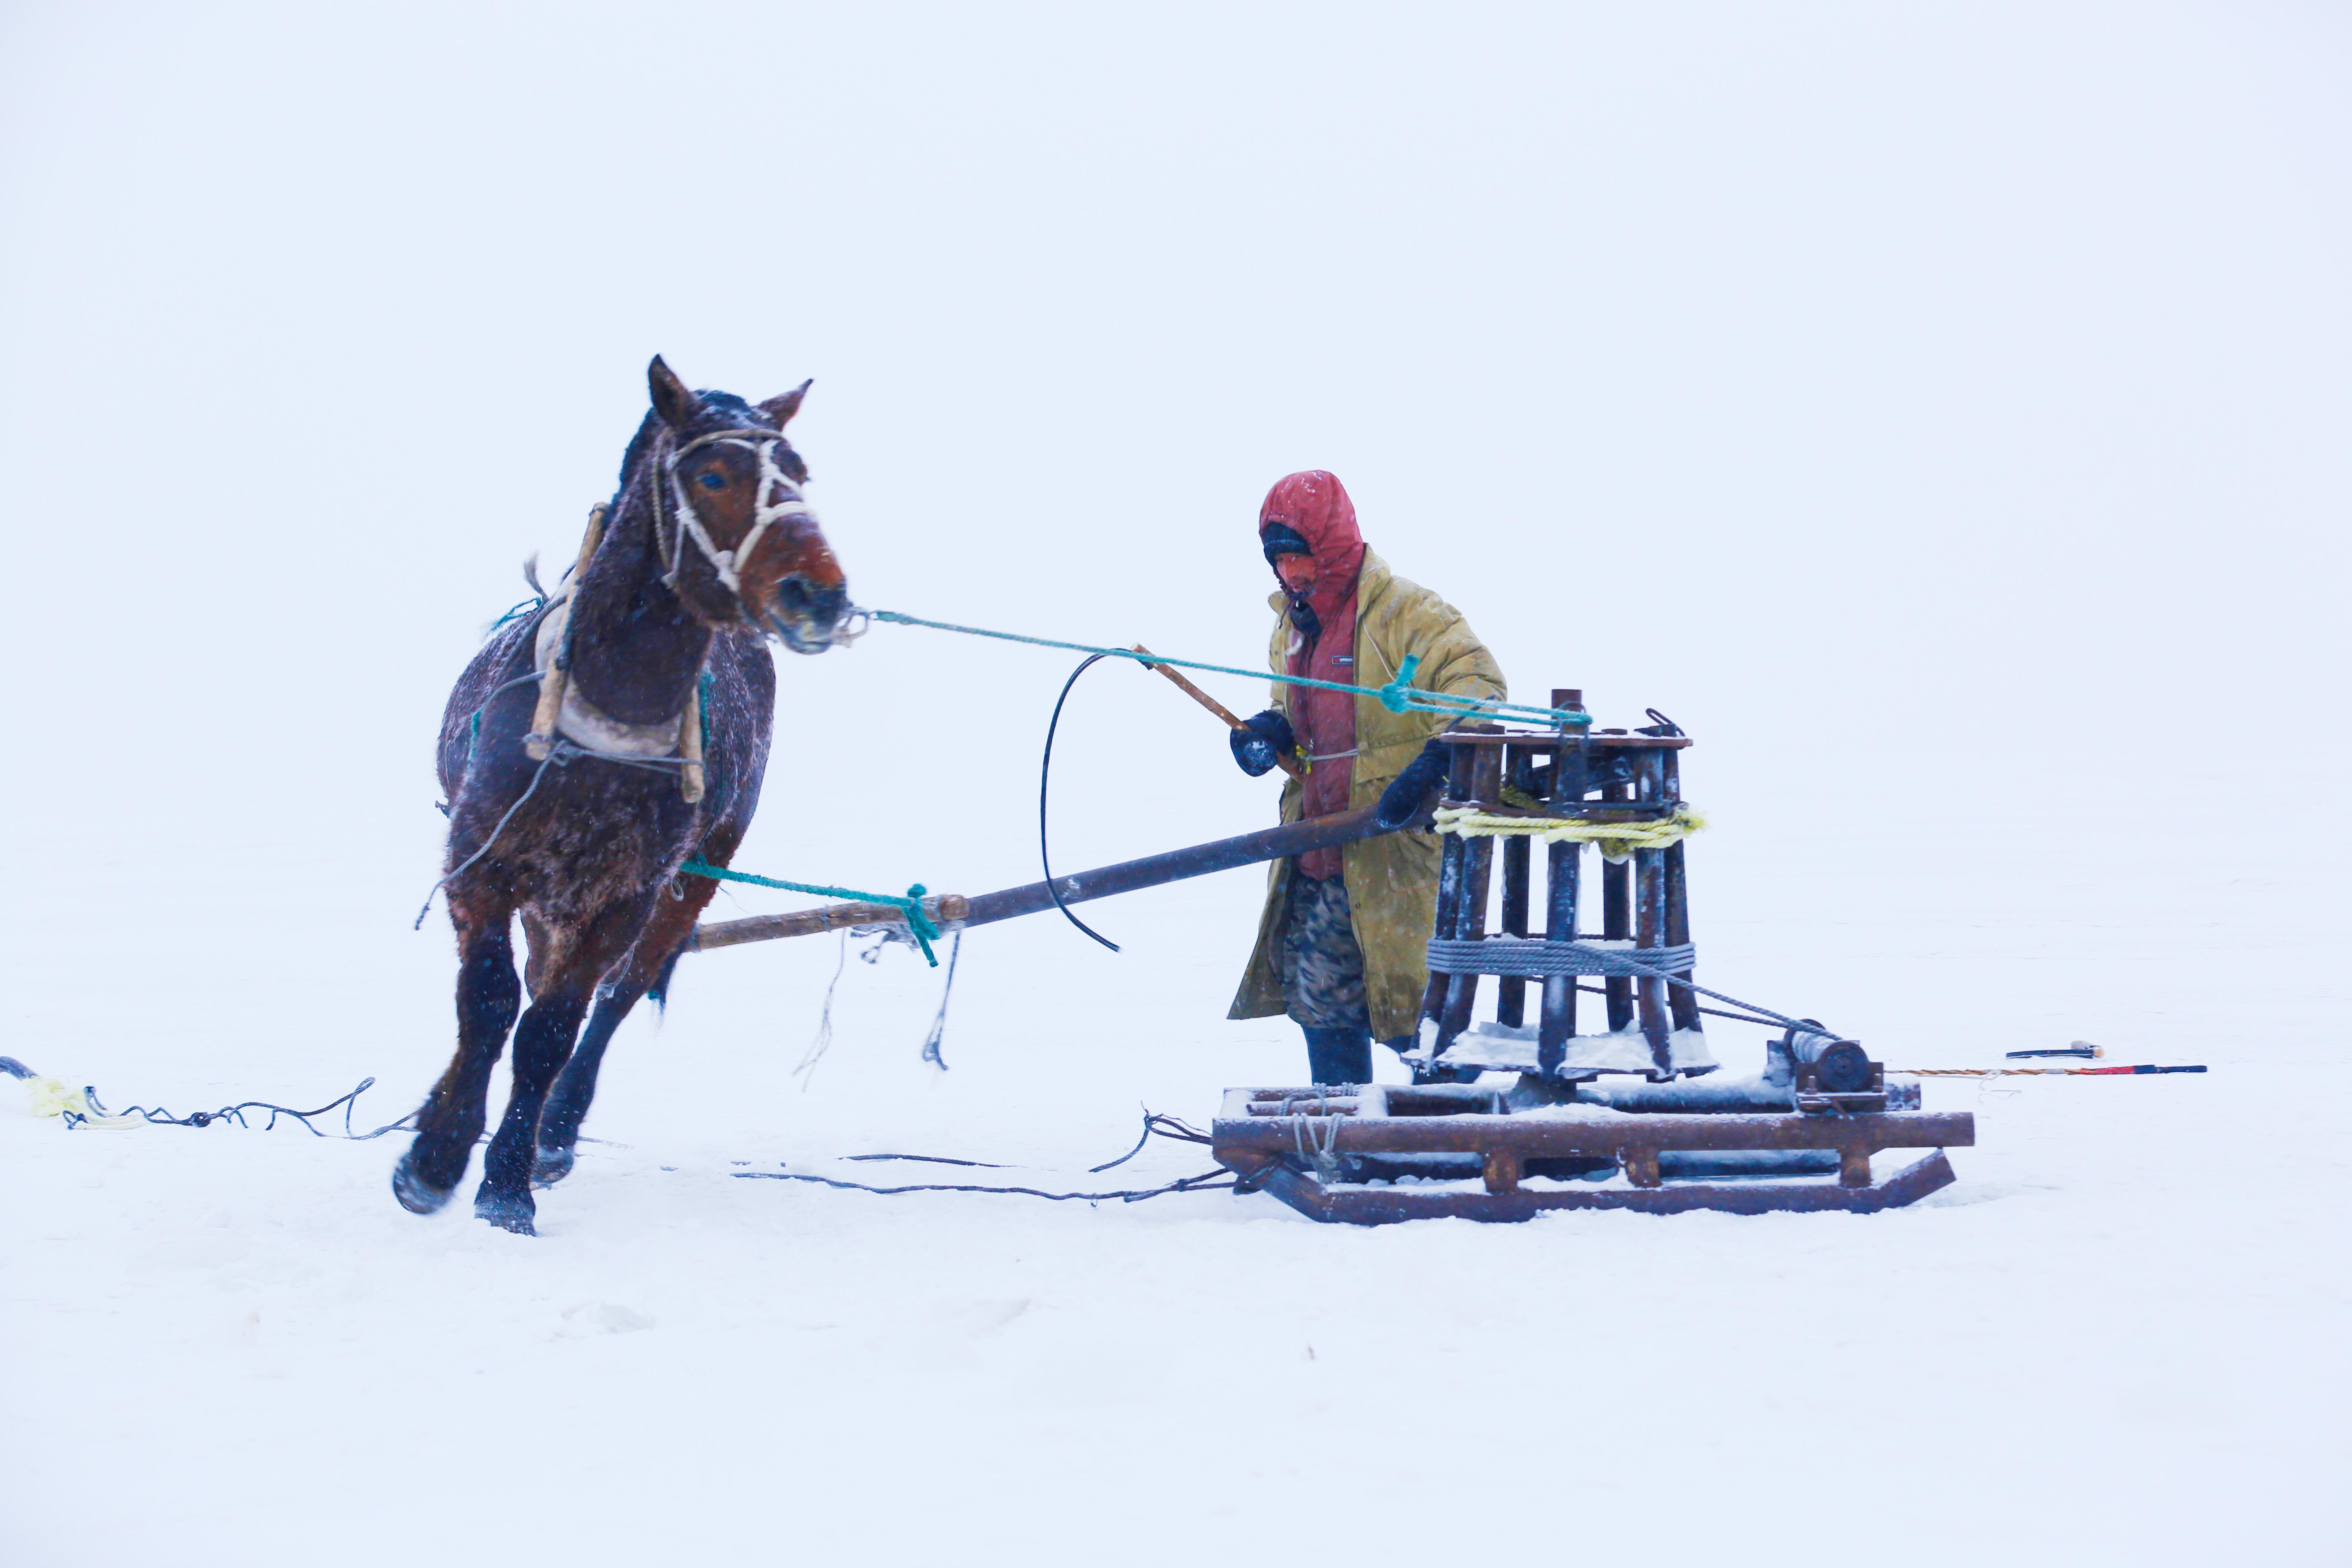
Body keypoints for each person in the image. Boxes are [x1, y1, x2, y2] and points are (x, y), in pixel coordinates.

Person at [1225, 470, 1506, 1086]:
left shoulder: (1412, 614)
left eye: (1299, 557)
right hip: (1320, 849)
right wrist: (1268, 735)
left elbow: (1478, 687)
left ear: (1331, 547)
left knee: (1418, 1005)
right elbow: (1302, 725)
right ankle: (1346, 1138)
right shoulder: (1293, 627)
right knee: (1320, 996)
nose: (1289, 574)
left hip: (1397, 857)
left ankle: (1445, 1143)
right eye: (1279, 562)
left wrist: (1439, 761)